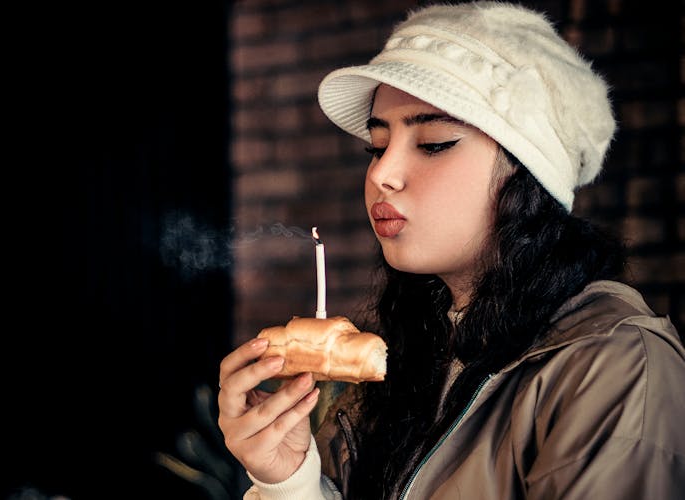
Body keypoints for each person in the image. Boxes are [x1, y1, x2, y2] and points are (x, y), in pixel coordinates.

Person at [217, 2, 685, 498]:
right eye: (377, 146)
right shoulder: (411, 358)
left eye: (434, 143)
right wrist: (290, 481)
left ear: (528, 172)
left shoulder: (615, 365)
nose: (381, 174)